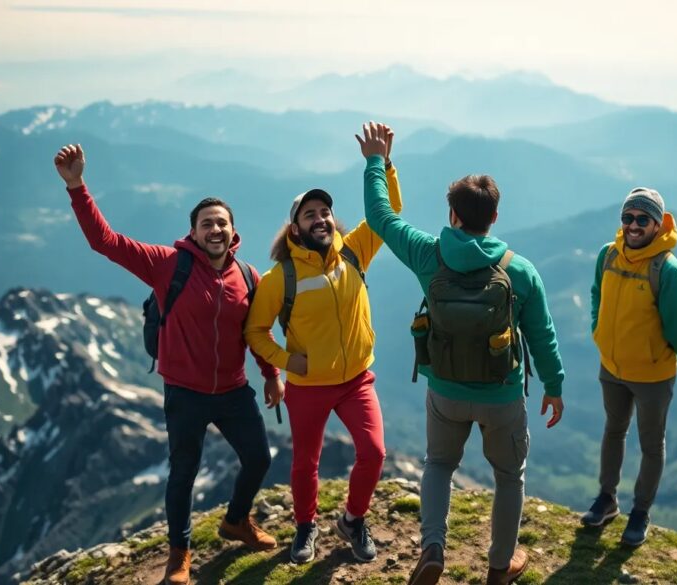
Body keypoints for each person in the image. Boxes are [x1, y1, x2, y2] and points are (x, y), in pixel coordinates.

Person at [54, 144, 282, 585]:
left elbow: (254, 334)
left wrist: (272, 375)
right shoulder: (168, 265)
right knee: (184, 474)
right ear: (193, 232)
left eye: (222, 223)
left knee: (258, 458)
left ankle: (237, 521)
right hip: (186, 393)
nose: (215, 229)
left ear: (234, 232)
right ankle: (179, 556)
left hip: (234, 390)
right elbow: (106, 242)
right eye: (206, 223)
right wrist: (76, 186)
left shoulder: (249, 277)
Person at [357, 122, 566, 585]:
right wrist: (554, 386)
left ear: (453, 214)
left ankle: (433, 548)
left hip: (445, 391)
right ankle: (499, 565)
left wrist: (377, 161)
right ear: (494, 217)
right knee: (509, 477)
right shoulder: (519, 270)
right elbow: (542, 335)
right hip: (502, 396)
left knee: (438, 465)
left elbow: (380, 216)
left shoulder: (429, 256)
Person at [243, 128, 402, 565]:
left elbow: (391, 211)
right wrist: (284, 361)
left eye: (326, 211)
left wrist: (384, 164)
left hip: (356, 380)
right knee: (305, 464)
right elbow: (255, 331)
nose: (321, 218)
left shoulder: (354, 251)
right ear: (295, 227)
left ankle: (352, 520)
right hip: (309, 384)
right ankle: (304, 527)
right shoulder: (281, 278)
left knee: (373, 452)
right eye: (310, 213)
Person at [580, 187, 677, 547]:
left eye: (642, 219)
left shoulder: (667, 269)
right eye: (627, 217)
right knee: (613, 431)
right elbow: (596, 295)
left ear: (658, 223)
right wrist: (597, 330)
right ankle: (607, 499)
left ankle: (640, 512)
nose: (633, 225)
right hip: (612, 367)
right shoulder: (608, 255)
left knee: (651, 444)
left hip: (652, 373)